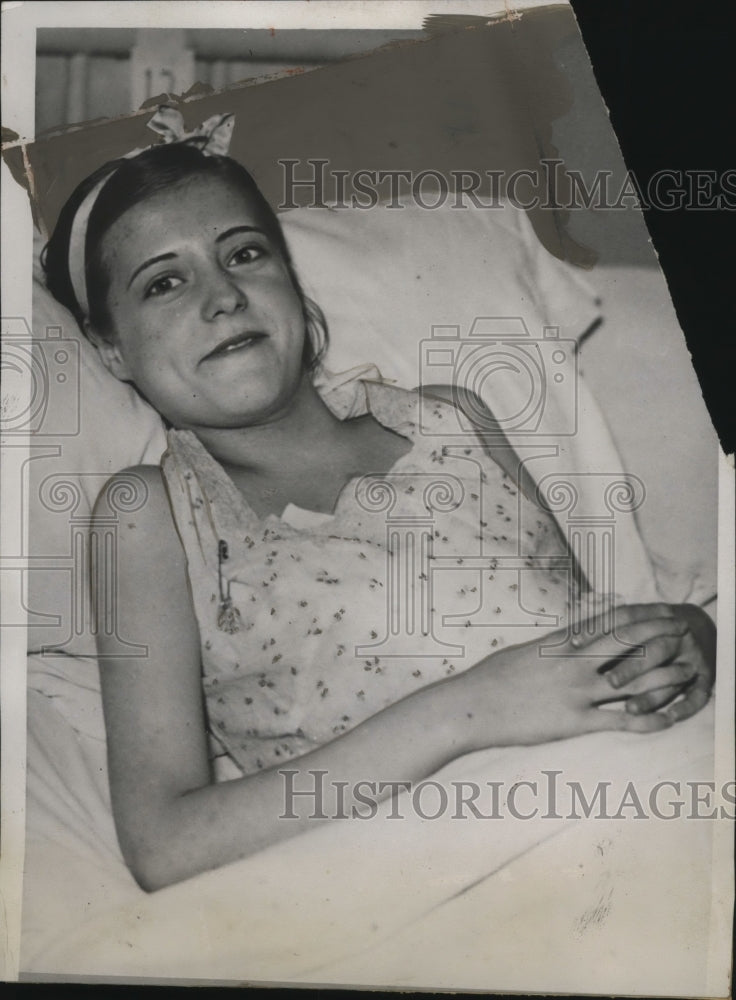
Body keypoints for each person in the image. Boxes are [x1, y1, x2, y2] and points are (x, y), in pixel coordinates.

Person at [42, 109, 716, 893]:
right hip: (473, 869)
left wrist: (690, 635)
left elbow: (590, 624)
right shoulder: (150, 515)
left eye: (244, 253)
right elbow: (165, 844)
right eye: (164, 282)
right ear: (111, 349)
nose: (222, 295)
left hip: (667, 782)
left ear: (292, 285)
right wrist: (469, 710)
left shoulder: (453, 417)